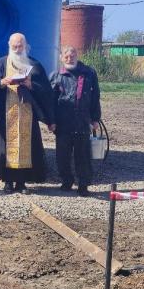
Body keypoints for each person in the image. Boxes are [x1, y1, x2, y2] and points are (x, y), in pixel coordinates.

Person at [0, 33, 54, 194]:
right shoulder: (1, 63)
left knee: (25, 148)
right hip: (6, 114)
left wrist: (31, 85)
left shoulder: (34, 64)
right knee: (6, 148)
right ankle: (8, 182)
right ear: (9, 45)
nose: (17, 49)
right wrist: (2, 82)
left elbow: (45, 90)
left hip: (27, 115)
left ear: (25, 46)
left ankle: (21, 183)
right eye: (14, 46)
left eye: (20, 46)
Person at [49, 46, 101, 196]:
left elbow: (95, 96)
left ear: (77, 56)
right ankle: (67, 180)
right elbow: (50, 101)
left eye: (72, 56)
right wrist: (51, 121)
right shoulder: (56, 75)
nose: (69, 58)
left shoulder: (89, 73)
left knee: (83, 155)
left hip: (82, 121)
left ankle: (83, 185)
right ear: (61, 58)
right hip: (63, 123)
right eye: (66, 56)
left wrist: (95, 118)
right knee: (62, 155)